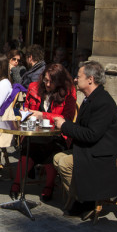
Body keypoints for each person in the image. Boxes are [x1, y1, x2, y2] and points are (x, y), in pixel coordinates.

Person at [53, 61, 117, 217]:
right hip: (90, 148)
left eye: (79, 76)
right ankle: (82, 197)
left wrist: (65, 126)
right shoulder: (90, 98)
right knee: (57, 157)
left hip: (102, 154)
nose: (75, 79)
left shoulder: (103, 102)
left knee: (65, 163)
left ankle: (86, 200)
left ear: (90, 79)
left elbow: (91, 134)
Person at [10, 63, 77, 202]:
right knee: (28, 147)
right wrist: (25, 112)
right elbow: (27, 107)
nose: (47, 84)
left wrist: (43, 115)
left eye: (51, 82)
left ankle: (49, 186)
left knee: (51, 149)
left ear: (59, 82)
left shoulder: (69, 92)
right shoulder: (34, 87)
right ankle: (16, 184)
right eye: (45, 80)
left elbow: (67, 119)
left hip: (57, 134)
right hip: (35, 132)